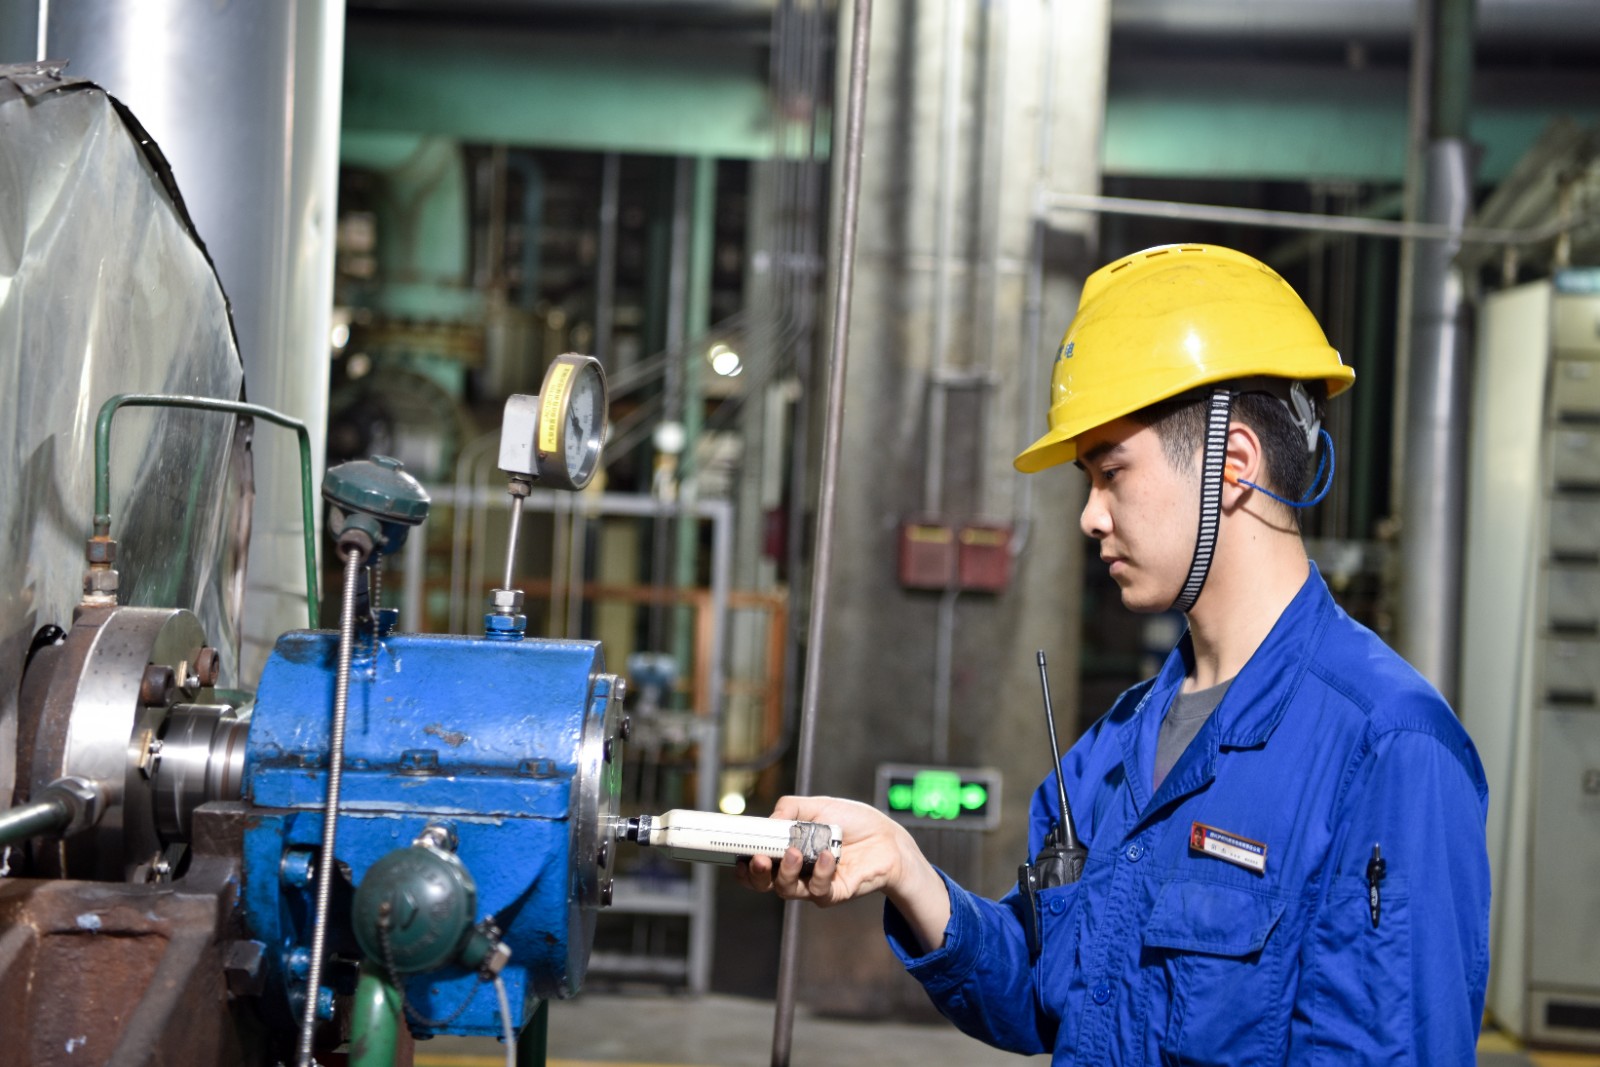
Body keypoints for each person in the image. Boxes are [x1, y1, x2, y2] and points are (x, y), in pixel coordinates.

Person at [739, 243, 1491, 1063]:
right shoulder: (1124, 742)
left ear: (1233, 465)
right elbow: (1044, 991)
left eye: (1112, 473)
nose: (1090, 516)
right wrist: (906, 868)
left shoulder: (1389, 748)